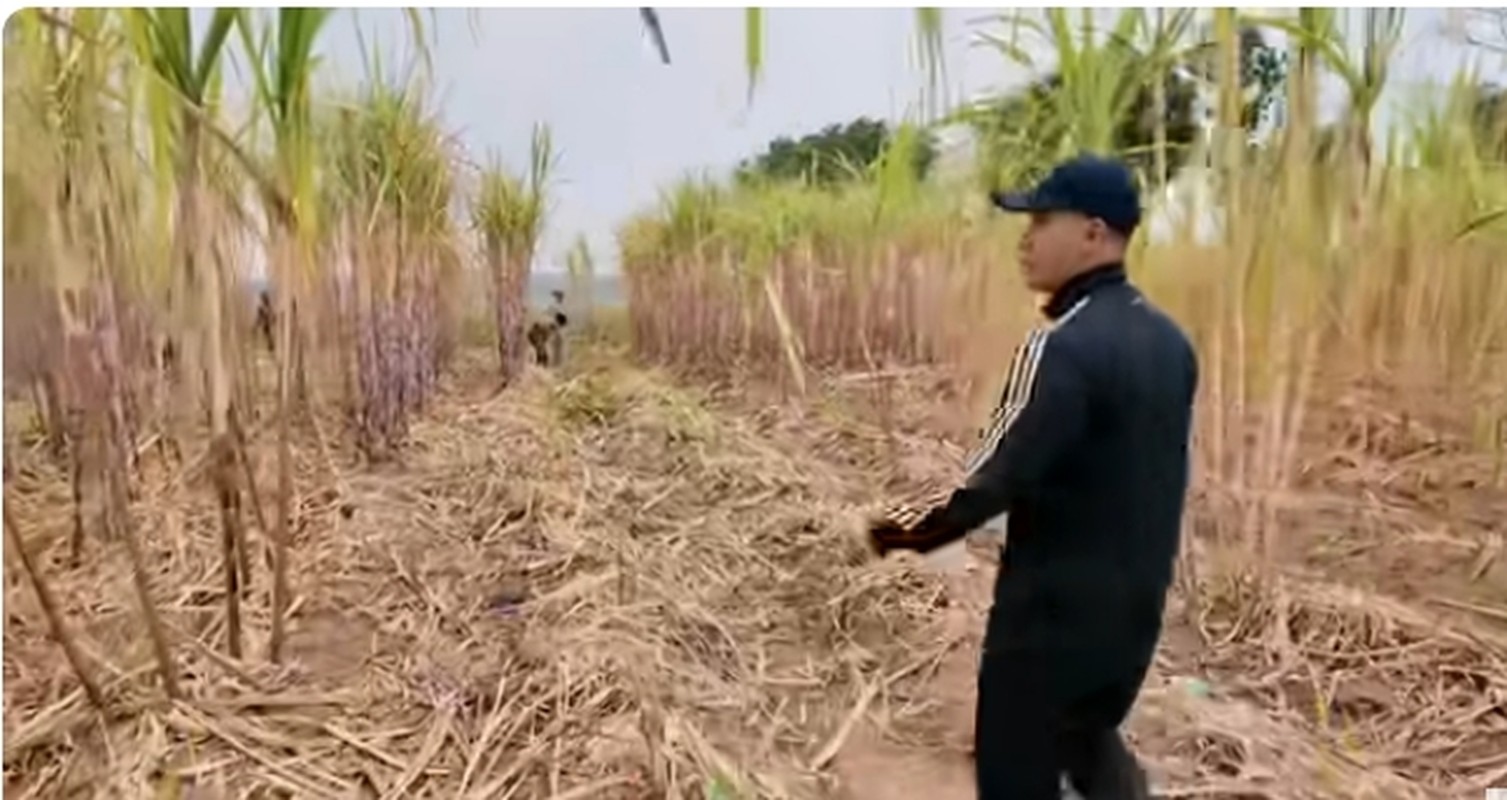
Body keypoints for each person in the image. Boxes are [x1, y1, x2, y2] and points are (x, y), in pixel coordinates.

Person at [869, 154, 1199, 799]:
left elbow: (990, 481)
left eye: (1042, 219)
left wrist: (898, 531)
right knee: (1088, 743)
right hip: (1134, 614)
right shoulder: (1170, 342)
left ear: (1093, 232)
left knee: (1017, 771)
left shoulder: (1060, 346)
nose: (1026, 238)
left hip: (1048, 621)